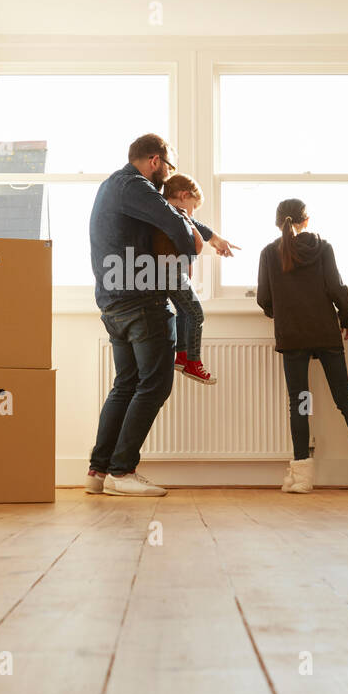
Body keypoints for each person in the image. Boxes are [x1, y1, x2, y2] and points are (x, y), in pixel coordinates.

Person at [86, 134, 236, 496]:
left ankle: (99, 471)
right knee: (155, 384)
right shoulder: (137, 187)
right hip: (142, 301)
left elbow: (173, 217)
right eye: (169, 168)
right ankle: (122, 472)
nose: (169, 176)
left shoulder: (112, 187)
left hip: (113, 301)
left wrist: (210, 234)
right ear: (155, 161)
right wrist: (191, 250)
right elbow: (176, 223)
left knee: (126, 385)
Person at [256, 198, 348, 494]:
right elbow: (335, 287)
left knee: (300, 403)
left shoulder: (269, 252)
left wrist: (284, 315)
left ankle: (302, 478)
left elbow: (264, 299)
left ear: (278, 223)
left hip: (293, 337)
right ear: (307, 219)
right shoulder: (323, 247)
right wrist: (346, 318)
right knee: (345, 399)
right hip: (325, 333)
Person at [152, 173, 236, 384]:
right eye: (193, 206)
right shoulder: (170, 214)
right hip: (170, 272)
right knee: (196, 315)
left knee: (183, 311)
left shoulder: (168, 211)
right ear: (183, 195)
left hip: (170, 272)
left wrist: (216, 239)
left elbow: (195, 223)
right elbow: (192, 235)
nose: (192, 212)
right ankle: (193, 362)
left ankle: (181, 356)